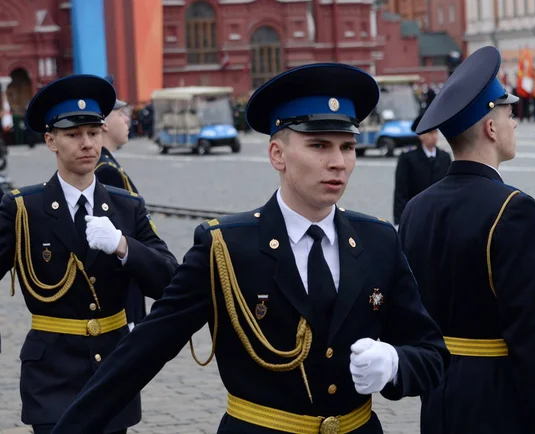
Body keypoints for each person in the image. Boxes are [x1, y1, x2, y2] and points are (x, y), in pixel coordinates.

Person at [51, 63, 449, 434]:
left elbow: (431, 352)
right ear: (277, 154)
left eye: (347, 147)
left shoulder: (377, 240)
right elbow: (141, 353)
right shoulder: (225, 247)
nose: (338, 162)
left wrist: (397, 365)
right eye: (319, 146)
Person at [399, 46, 535, 434]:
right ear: (490, 128)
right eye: (509, 114)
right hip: (497, 400)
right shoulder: (514, 209)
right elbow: (532, 340)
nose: (514, 123)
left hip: (437, 394)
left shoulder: (417, 209)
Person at [0, 74, 178, 434]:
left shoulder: (126, 208)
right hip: (52, 373)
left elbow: (170, 280)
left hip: (113, 370)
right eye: (73, 135)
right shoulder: (24, 209)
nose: (87, 144)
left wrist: (123, 246)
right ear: (51, 140)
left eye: (94, 133)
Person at [96, 85, 146, 329]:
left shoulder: (108, 165)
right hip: (121, 296)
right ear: (104, 123)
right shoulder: (106, 171)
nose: (128, 119)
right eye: (120, 113)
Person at [392, 114, 451, 225]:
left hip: (440, 217)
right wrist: (399, 222)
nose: (434, 136)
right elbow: (401, 192)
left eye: (436, 132)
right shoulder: (408, 158)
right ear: (421, 136)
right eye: (430, 133)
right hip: (416, 216)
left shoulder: (444, 157)